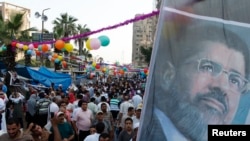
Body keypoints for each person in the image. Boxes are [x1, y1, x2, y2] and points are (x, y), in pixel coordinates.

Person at [138, 13, 250, 141]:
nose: (222, 86)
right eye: (208, 67)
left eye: (235, 80)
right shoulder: (144, 134)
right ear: (168, 75)